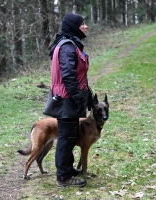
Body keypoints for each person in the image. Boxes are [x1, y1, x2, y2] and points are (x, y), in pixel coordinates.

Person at [48, 13, 92, 187]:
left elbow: (79, 75)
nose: (86, 26)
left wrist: (88, 93)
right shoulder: (67, 46)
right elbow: (68, 76)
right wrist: (78, 98)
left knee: (71, 135)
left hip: (70, 98)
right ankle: (64, 177)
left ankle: (67, 168)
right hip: (66, 99)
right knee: (66, 137)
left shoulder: (72, 44)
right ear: (74, 27)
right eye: (83, 24)